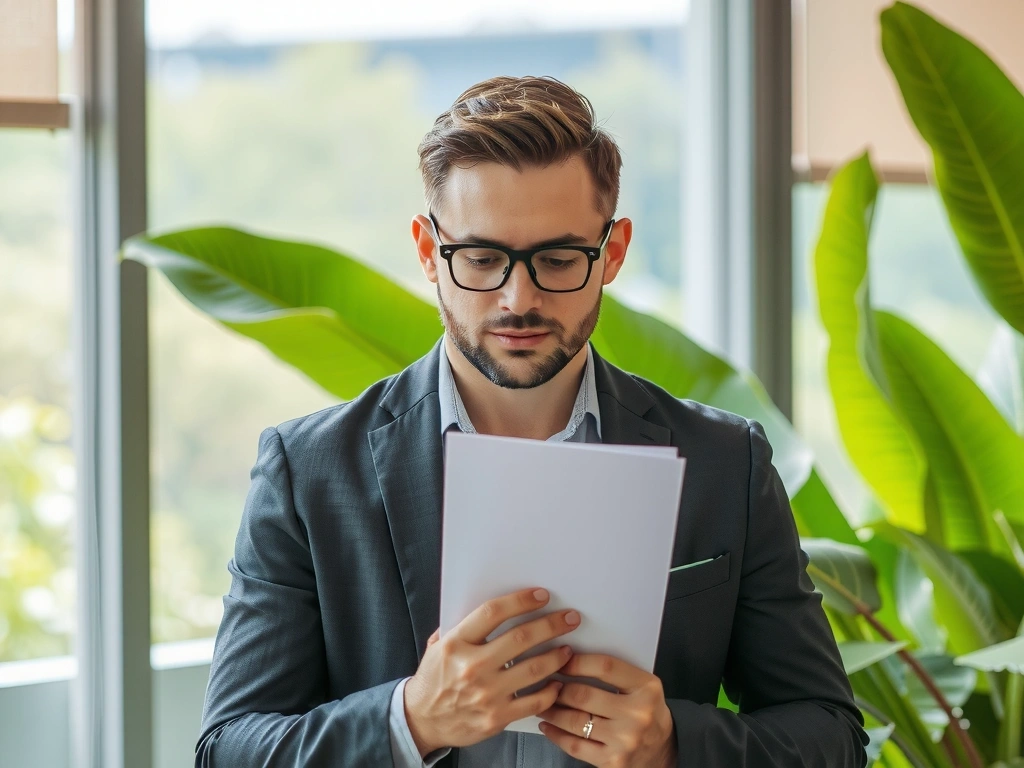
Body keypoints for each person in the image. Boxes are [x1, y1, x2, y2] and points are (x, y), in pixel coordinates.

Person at [196, 75, 868, 768]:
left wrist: (672, 746)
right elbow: (228, 750)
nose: (520, 299)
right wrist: (411, 722)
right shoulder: (307, 471)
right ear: (429, 251)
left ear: (612, 251)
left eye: (557, 259)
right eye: (482, 259)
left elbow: (833, 740)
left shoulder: (727, 464)